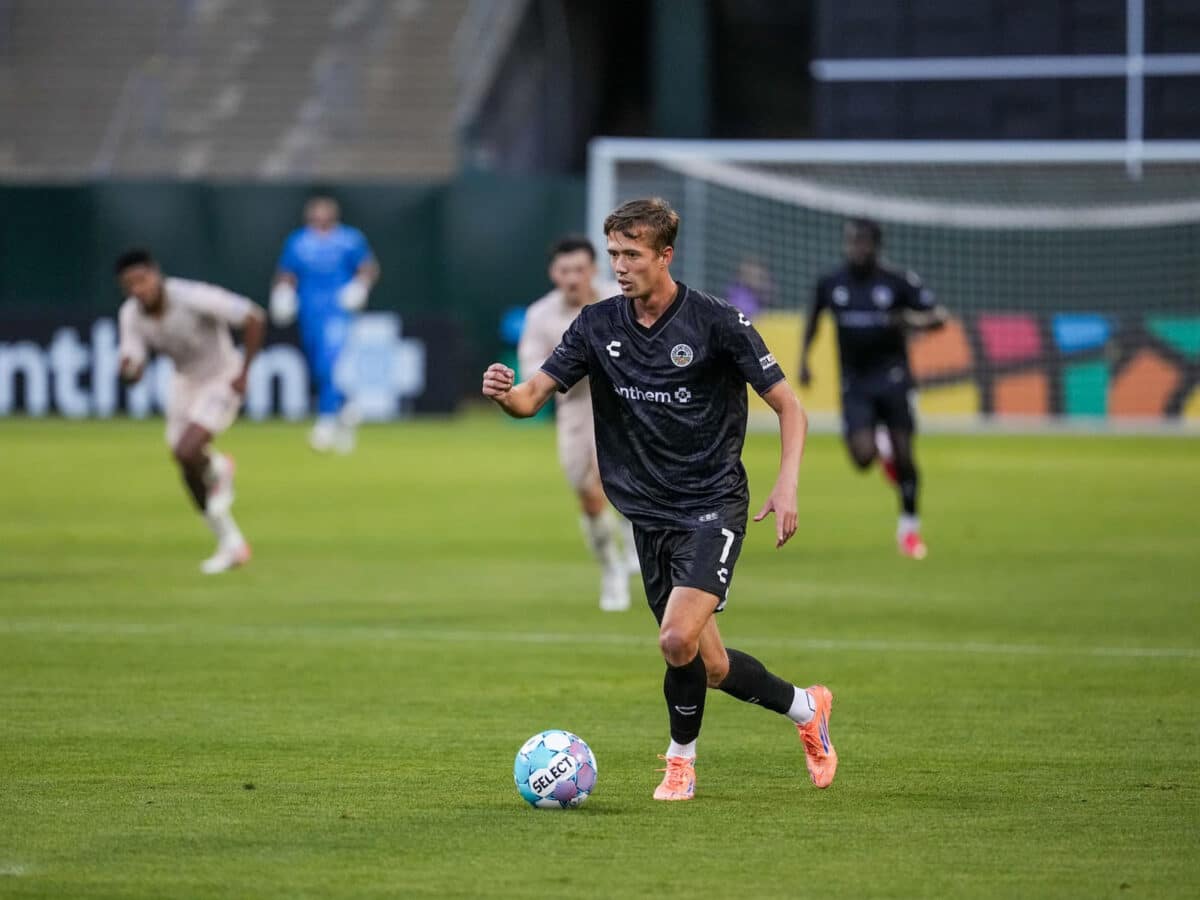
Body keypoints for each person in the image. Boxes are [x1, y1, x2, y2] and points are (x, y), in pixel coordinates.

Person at [482, 198, 837, 801]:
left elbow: (789, 405)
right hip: (646, 514)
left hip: (713, 504)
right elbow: (531, 397)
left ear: (665, 255)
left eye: (632, 254)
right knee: (712, 665)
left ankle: (680, 762)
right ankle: (808, 709)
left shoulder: (718, 321)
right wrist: (503, 392)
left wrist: (787, 483)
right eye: (614, 253)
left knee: (675, 640)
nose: (619, 266)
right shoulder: (597, 325)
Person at [799, 218, 948, 560]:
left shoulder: (897, 282)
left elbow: (938, 315)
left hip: (894, 378)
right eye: (851, 241)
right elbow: (813, 320)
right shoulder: (831, 283)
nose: (856, 248)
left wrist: (911, 320)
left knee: (907, 456)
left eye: (862, 242)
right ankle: (881, 448)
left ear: (876, 246)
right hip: (855, 383)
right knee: (862, 458)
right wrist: (804, 360)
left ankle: (909, 529)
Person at [115, 249, 265, 574]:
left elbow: (253, 317)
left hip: (222, 376)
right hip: (184, 383)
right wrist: (129, 370)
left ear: (156, 274)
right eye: (130, 284)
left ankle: (216, 467)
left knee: (187, 450)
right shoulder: (130, 315)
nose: (139, 289)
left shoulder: (193, 296)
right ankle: (230, 541)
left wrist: (245, 372)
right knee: (185, 463)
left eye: (142, 280)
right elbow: (133, 364)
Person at [517, 236, 637, 612]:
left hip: (623, 406)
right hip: (574, 409)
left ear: (593, 270)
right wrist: (572, 363)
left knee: (621, 483)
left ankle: (634, 552)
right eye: (564, 270)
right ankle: (612, 566)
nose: (572, 278)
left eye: (579, 269)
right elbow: (531, 370)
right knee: (586, 494)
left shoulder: (618, 302)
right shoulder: (541, 315)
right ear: (554, 273)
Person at [270, 196, 379, 454]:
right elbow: (286, 273)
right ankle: (345, 405)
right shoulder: (298, 242)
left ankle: (326, 421)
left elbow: (368, 267)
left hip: (338, 312)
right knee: (318, 366)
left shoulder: (349, 239)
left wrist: (359, 286)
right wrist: (283, 292)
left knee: (329, 362)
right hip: (310, 312)